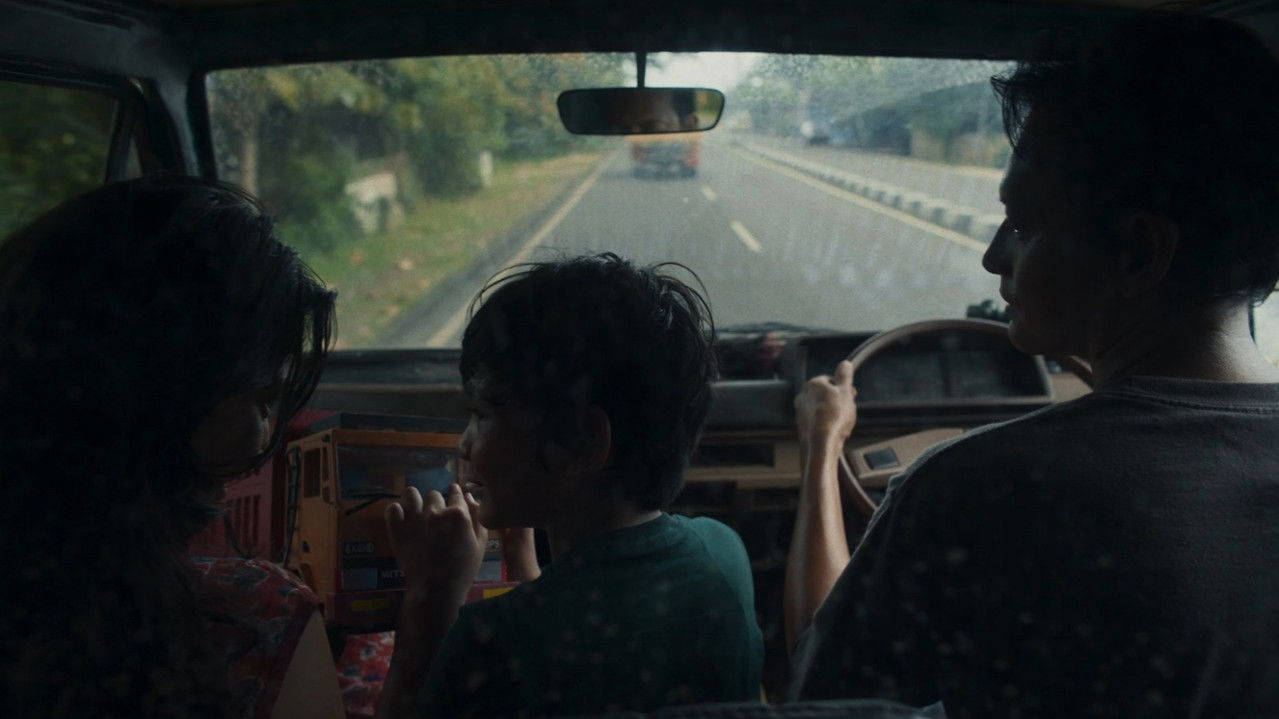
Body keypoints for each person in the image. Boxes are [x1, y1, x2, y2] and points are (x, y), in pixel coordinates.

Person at [784, 13, 1279, 718]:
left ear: (1139, 252)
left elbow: (824, 704)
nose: (993, 255)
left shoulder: (979, 488)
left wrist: (820, 449)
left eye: (1022, 223)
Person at [0, 175, 344, 719]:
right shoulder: (257, 618)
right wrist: (426, 615)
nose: (268, 434)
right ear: (170, 392)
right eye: (263, 400)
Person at [376, 253, 764, 718]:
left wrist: (432, 596)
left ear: (583, 442)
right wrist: (524, 558)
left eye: (482, 415)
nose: (464, 445)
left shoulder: (492, 641)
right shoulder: (722, 552)